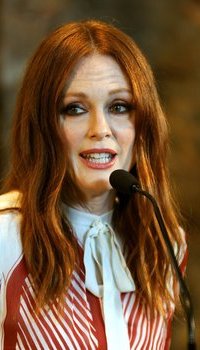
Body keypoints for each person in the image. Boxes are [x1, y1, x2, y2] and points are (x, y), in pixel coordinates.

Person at [0, 19, 187, 349]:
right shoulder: (6, 236)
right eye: (75, 109)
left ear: (144, 124)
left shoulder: (165, 242)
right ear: (41, 125)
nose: (100, 129)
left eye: (119, 107)